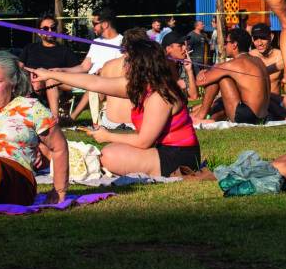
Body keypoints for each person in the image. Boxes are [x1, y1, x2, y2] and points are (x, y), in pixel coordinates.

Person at [28, 40, 200, 177]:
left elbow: (143, 141)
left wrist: (107, 136)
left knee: (109, 155)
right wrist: (49, 74)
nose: (124, 66)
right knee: (109, 153)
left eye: (128, 61)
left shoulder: (160, 96)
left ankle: (55, 158)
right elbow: (94, 82)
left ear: (140, 66)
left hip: (179, 157)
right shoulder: (139, 86)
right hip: (160, 149)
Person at [0, 51, 68, 205]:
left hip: (16, 177)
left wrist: (60, 189)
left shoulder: (31, 108)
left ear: (13, 83)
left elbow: (59, 147)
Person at [41, 7, 123, 122]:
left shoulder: (121, 42)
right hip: (87, 79)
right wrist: (61, 70)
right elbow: (84, 66)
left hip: (103, 83)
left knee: (93, 83)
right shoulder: (96, 42)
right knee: (51, 79)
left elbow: (120, 70)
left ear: (104, 24)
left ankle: (72, 118)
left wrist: (103, 70)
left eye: (94, 23)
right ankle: (55, 120)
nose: (93, 27)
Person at [192, 28, 271, 124]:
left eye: (226, 42)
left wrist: (201, 73)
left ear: (235, 45)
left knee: (221, 76)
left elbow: (200, 82)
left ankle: (201, 115)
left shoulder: (233, 64)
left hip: (247, 117)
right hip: (263, 117)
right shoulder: (258, 60)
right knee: (221, 75)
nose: (224, 45)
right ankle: (208, 117)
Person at [19, 13, 79, 120]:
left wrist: (58, 72)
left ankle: (54, 119)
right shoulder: (30, 48)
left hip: (54, 84)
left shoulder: (65, 51)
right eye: (46, 28)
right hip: (30, 81)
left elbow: (78, 71)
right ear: (38, 32)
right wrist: (33, 71)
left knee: (47, 80)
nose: (50, 32)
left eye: (53, 28)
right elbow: (19, 65)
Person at [97, 28, 150, 131]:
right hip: (137, 122)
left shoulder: (108, 65)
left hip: (110, 122)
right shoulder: (148, 67)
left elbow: (100, 97)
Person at [249, 23, 284, 92]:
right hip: (255, 101)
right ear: (252, 39)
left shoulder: (281, 56)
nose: (259, 43)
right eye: (256, 39)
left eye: (263, 38)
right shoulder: (249, 57)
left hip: (274, 101)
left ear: (271, 37)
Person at [162, 31, 198, 98]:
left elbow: (194, 95)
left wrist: (189, 71)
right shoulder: (161, 67)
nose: (185, 48)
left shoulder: (183, 64)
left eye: (185, 45)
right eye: (180, 46)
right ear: (168, 49)